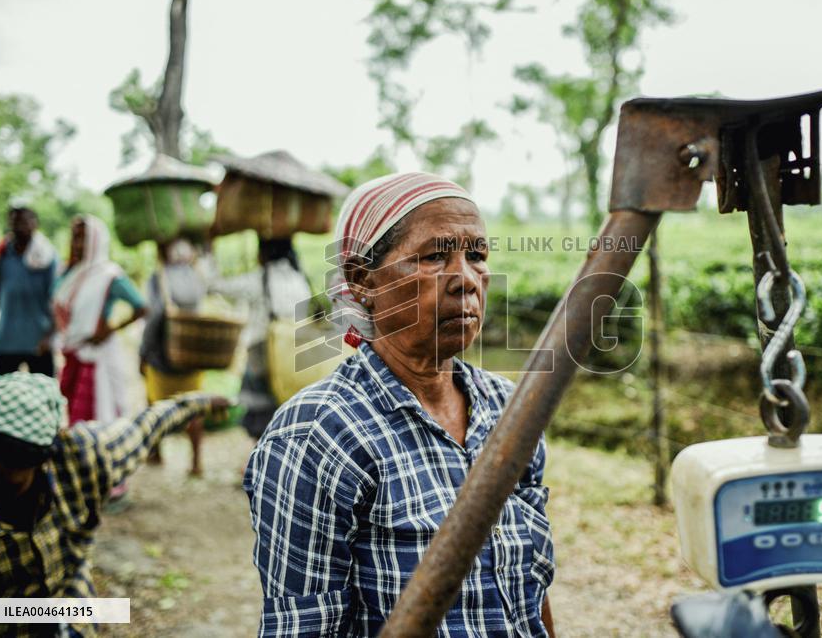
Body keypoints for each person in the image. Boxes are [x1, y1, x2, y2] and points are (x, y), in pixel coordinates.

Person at [244, 173, 556, 637]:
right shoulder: (317, 435)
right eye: (433, 257)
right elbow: (305, 627)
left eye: (477, 256)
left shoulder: (510, 410)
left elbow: (532, 588)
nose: (466, 280)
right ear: (361, 280)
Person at [0, 371, 227, 637]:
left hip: (71, 608)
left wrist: (201, 403)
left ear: (40, 462)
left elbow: (148, 426)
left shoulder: (84, 457)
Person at [207, 237, 312, 441]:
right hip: (293, 353)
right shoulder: (298, 277)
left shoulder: (259, 279)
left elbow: (216, 286)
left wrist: (209, 253)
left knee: (261, 409)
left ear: (264, 253)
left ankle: (263, 454)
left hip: (263, 350)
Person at [53, 215, 147, 427]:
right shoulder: (70, 272)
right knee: (72, 412)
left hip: (96, 356)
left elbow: (142, 307)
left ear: (97, 240)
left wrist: (110, 330)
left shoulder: (109, 275)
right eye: (75, 238)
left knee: (93, 417)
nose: (77, 245)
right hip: (73, 352)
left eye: (83, 239)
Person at [139, 238, 207, 475]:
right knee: (195, 408)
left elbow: (153, 316)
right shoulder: (196, 277)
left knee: (155, 406)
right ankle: (196, 463)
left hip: (162, 355)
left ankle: (156, 453)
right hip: (192, 355)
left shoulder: (160, 278)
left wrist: (143, 352)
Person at [0, 203, 58, 376]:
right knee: (2, 396)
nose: (18, 226)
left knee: (43, 395)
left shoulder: (47, 257)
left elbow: (57, 300)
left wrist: (49, 336)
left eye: (23, 221)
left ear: (35, 224)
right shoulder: (3, 256)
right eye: (13, 221)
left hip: (38, 342)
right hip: (7, 341)